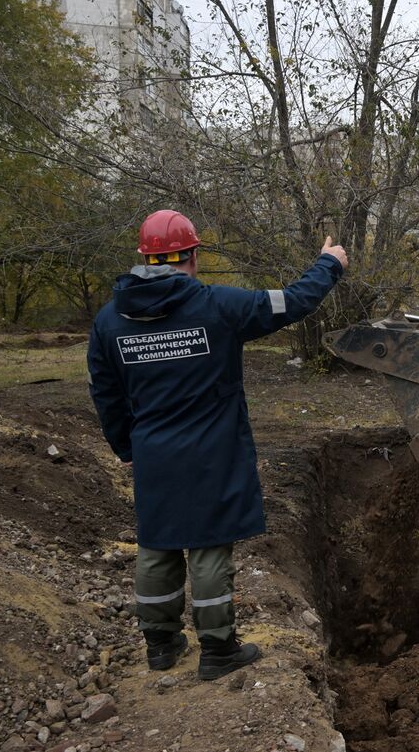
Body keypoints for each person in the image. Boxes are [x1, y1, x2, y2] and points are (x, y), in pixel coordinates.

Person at [87, 210, 348, 680]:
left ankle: (160, 645)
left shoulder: (109, 321)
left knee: (158, 545)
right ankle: (218, 650)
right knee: (207, 546)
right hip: (212, 449)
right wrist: (329, 263)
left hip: (154, 451)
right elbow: (292, 302)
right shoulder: (218, 306)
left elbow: (105, 391)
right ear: (192, 255)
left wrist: (127, 447)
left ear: (144, 257)